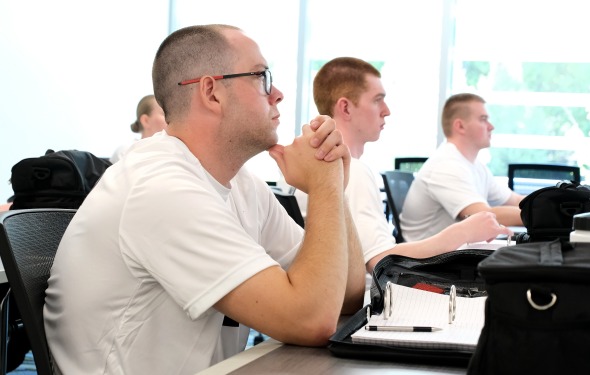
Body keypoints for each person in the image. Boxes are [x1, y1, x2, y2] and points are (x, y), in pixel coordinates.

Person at [43, 25, 365, 374]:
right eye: (262, 77)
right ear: (211, 93)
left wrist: (332, 184)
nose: (279, 94)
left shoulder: (242, 184)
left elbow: (347, 295)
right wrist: (324, 186)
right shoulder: (161, 188)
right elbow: (312, 320)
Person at [312, 57, 511, 272]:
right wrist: (463, 232)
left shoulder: (323, 167)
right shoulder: (352, 172)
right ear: (346, 108)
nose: (386, 110)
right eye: (378, 100)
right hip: (377, 297)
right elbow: (381, 262)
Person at [401, 93, 525, 242]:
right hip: (428, 262)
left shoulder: (475, 166)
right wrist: (545, 215)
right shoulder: (446, 166)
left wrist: (550, 202)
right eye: (483, 119)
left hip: (451, 254)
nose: (491, 126)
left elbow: (516, 200)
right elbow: (481, 216)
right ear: (460, 126)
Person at [109, 94, 168, 163]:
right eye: (165, 113)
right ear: (145, 120)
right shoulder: (125, 152)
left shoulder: (173, 152)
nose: (170, 118)